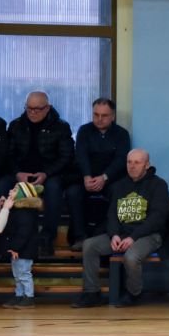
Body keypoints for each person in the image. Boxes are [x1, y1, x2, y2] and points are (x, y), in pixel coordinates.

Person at [72, 149, 169, 308]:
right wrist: (114, 235)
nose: (132, 166)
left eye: (137, 162)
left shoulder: (158, 185)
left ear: (147, 165)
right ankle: (91, 292)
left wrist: (133, 237)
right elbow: (112, 214)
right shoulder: (119, 185)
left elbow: (157, 218)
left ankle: (133, 293)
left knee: (131, 256)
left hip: (148, 235)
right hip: (122, 234)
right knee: (89, 245)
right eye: (129, 162)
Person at [0, 91, 75, 256]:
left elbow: (66, 157)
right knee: (2, 184)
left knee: (54, 188)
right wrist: (17, 173)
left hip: (49, 174)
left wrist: (46, 173)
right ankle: (3, 236)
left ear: (47, 108)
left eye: (37, 109)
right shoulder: (16, 125)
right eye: (29, 108)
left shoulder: (61, 127)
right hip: (20, 173)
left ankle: (47, 238)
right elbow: (7, 155)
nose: (32, 112)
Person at [67, 97, 131, 250]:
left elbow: (121, 159)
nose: (99, 119)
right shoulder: (84, 130)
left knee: (119, 192)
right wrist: (87, 176)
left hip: (111, 179)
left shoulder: (122, 134)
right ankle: (79, 236)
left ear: (113, 116)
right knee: (72, 193)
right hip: (86, 178)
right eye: (96, 115)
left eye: (104, 115)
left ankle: (110, 234)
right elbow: (81, 155)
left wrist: (104, 177)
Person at [0, 183, 40, 309]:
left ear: (22, 195)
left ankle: (28, 296)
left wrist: (15, 247)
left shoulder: (25, 213)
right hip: (18, 250)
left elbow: (23, 233)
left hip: (24, 250)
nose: (10, 190)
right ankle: (19, 295)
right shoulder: (17, 210)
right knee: (18, 275)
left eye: (15, 189)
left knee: (24, 274)